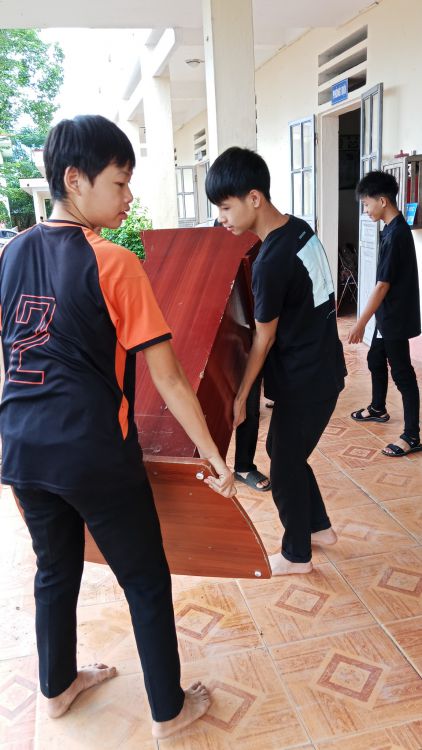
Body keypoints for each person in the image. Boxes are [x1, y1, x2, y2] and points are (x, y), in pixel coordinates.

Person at [0, 115, 235, 740]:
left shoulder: (11, 252)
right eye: (120, 182)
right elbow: (170, 378)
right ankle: (170, 712)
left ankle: (56, 688)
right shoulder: (113, 262)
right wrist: (213, 454)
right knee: (145, 580)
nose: (128, 197)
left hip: (21, 449)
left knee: (54, 570)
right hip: (92, 455)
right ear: (75, 180)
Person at [205, 147, 346, 576]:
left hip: (306, 379)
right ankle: (319, 528)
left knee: (283, 463)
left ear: (254, 198)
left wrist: (241, 397)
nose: (222, 218)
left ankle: (296, 555)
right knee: (286, 452)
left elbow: (263, 340)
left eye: (225, 207)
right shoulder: (299, 229)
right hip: (324, 367)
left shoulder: (269, 261)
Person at [349, 170, 421, 456]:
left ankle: (412, 436)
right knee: (374, 358)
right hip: (387, 315)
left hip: (395, 318)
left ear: (382, 201)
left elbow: (382, 286)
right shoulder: (391, 229)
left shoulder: (397, 234)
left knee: (402, 374)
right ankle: (378, 408)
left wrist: (360, 323)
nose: (366, 211)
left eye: (367, 204)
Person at [213, 218, 270, 492]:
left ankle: (244, 466)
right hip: (218, 340)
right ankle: (213, 465)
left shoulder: (258, 249)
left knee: (249, 406)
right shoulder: (213, 250)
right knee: (215, 404)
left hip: (250, 337)